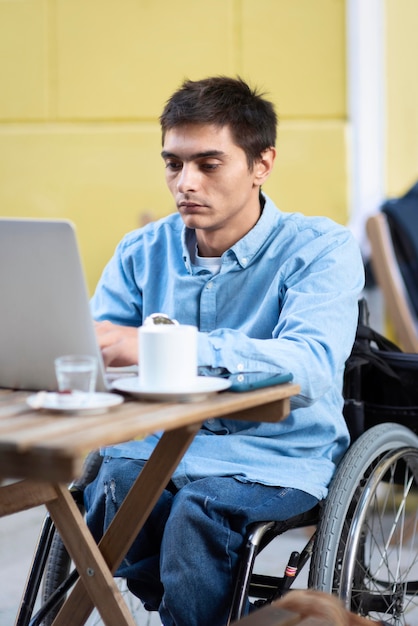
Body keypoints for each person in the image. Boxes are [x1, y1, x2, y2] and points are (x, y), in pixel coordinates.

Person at [84, 76, 365, 626]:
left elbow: (307, 366)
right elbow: (99, 346)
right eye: (173, 164)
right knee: (111, 482)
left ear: (262, 163)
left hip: (276, 454)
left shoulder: (320, 249)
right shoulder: (142, 250)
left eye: (208, 164)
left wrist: (164, 347)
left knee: (197, 513)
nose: (185, 182)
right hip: (161, 444)